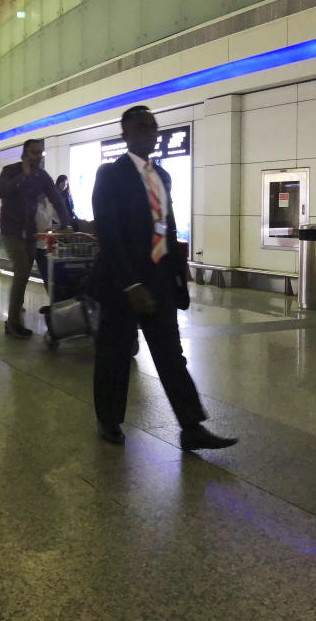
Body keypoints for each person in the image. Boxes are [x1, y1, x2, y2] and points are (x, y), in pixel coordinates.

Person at [91, 106, 237, 452]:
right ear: (126, 133)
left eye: (153, 126)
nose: (151, 132)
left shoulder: (163, 176)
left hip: (157, 280)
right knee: (114, 353)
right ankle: (108, 420)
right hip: (121, 283)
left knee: (171, 354)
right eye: (142, 127)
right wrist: (130, 284)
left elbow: (166, 228)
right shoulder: (110, 174)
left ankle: (191, 426)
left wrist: (176, 274)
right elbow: (108, 233)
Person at [0, 138, 71, 338]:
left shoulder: (42, 176)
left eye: (40, 153)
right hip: (11, 232)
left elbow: (56, 198)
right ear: (24, 154)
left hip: (29, 233)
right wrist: (22, 176)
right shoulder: (10, 170)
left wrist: (67, 224)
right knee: (21, 272)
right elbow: (1, 191)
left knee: (24, 275)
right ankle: (12, 322)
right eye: (33, 152)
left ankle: (13, 319)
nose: (37, 156)